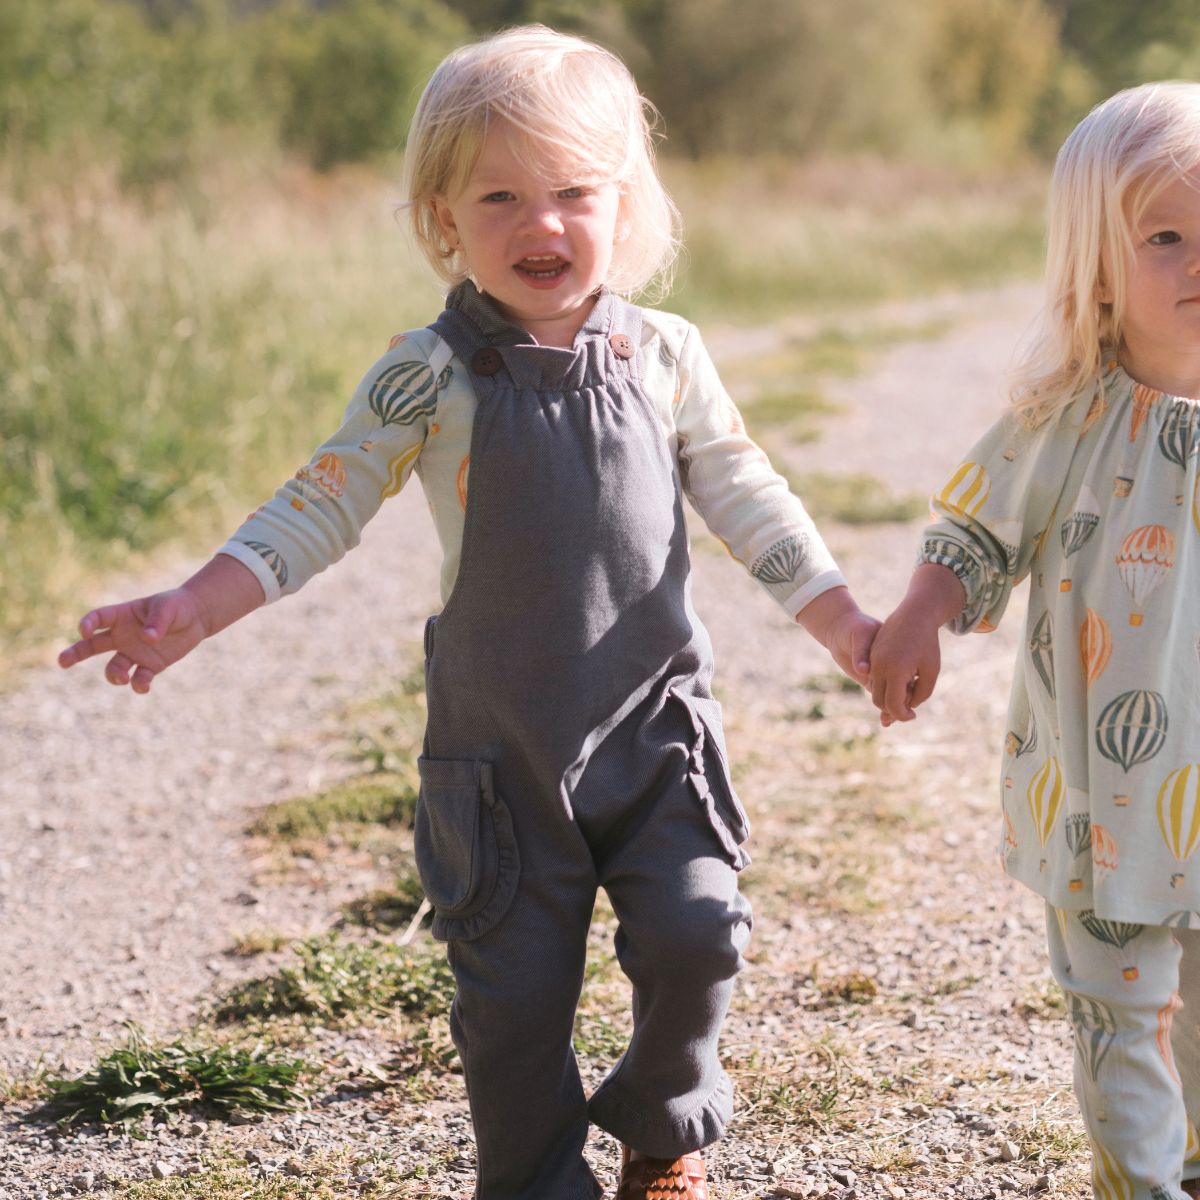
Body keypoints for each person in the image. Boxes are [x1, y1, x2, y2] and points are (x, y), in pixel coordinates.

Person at [58, 25, 879, 1200]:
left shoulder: (666, 354)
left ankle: (662, 1126)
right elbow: (321, 502)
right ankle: (540, 1178)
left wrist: (843, 621)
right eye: (499, 195)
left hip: (655, 735)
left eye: (571, 194)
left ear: (626, 204)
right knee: (511, 1004)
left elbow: (748, 496)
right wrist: (195, 604)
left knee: (700, 931)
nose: (540, 225)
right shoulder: (426, 372)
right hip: (495, 757)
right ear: (444, 217)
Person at [869, 81, 1200, 1200]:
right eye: (1166, 237)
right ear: (1099, 268)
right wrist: (920, 612)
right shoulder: (1067, 414)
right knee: (1122, 1019)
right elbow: (974, 526)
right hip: (1108, 800)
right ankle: (1141, 1184)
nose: (1199, 258)